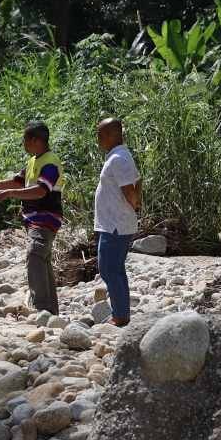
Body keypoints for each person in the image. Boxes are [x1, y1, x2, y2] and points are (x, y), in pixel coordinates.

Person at [0, 121, 65, 315]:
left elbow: (41, 191)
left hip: (45, 218)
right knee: (42, 259)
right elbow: (17, 182)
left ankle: (41, 307)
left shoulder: (50, 162)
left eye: (25, 139)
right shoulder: (33, 161)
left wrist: (8, 194)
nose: (23, 143)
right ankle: (50, 310)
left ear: (35, 140)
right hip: (34, 219)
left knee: (35, 254)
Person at [95, 117, 142, 326]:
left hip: (115, 224)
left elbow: (130, 190)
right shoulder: (119, 156)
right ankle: (121, 313)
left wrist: (135, 205)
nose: (98, 140)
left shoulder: (118, 158)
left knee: (109, 268)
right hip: (113, 222)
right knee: (114, 268)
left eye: (101, 135)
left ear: (113, 134)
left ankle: (120, 316)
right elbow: (139, 180)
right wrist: (136, 204)